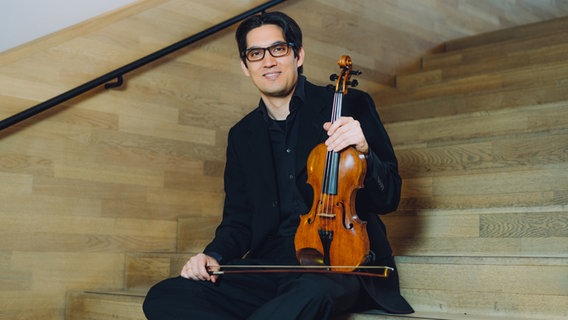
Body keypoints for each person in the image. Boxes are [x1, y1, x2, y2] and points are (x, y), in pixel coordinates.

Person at [143, 11, 413, 320]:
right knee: (165, 296)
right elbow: (238, 220)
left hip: (337, 262)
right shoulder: (241, 135)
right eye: (256, 54)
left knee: (312, 292)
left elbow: (389, 196)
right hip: (269, 265)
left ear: (298, 55)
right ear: (246, 67)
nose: (268, 62)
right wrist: (212, 255)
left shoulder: (350, 104)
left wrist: (365, 151)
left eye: (278, 49)